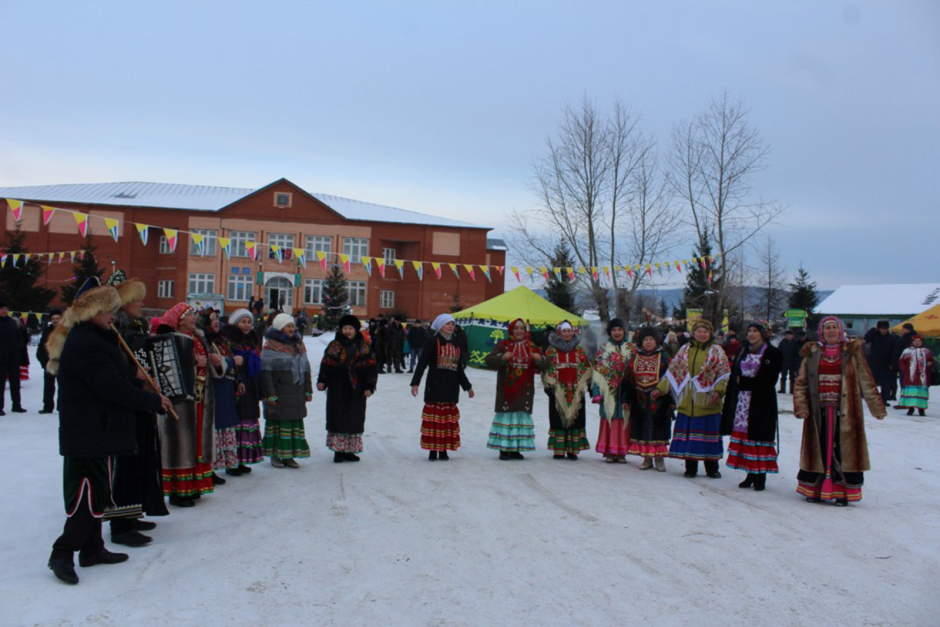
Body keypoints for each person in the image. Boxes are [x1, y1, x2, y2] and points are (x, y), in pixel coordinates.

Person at [45, 284, 172, 585]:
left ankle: (92, 550)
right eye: (108, 310)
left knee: (99, 492)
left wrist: (134, 377)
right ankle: (61, 553)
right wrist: (152, 401)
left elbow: (112, 377)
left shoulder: (97, 338)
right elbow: (110, 387)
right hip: (88, 430)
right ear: (92, 311)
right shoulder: (86, 342)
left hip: (100, 428)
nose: (113, 316)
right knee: (87, 496)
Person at [794, 316, 886, 506]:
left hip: (846, 410)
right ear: (822, 332)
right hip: (818, 411)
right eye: (827, 328)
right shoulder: (812, 352)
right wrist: (801, 407)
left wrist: (876, 407)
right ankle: (816, 489)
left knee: (843, 448)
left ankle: (842, 492)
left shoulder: (852, 352)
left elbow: (866, 381)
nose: (831, 331)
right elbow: (801, 383)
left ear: (840, 330)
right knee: (819, 447)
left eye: (834, 327)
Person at [107, 276, 170, 545]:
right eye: (136, 299)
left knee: (142, 458)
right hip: (127, 405)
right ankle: (120, 523)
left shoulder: (137, 329)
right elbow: (119, 369)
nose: (142, 304)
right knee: (126, 465)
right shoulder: (117, 332)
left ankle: (132, 512)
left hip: (141, 405)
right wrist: (140, 379)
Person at [157, 303, 223, 507]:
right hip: (181, 402)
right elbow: (165, 370)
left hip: (201, 398)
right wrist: (196, 364)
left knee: (197, 443)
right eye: (189, 315)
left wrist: (215, 361)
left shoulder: (201, 338)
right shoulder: (169, 341)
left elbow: (216, 365)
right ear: (179, 319)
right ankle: (179, 490)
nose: (194, 318)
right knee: (181, 442)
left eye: (194, 314)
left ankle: (194, 486)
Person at [655, 318, 730, 478]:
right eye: (699, 331)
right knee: (690, 437)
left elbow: (723, 375)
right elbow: (673, 372)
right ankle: (690, 468)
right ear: (694, 333)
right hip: (688, 402)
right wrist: (660, 389)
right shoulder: (684, 350)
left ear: (710, 334)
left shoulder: (717, 352)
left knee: (708, 437)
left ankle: (712, 468)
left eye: (705, 332)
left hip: (708, 402)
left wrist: (718, 391)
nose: (702, 334)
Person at [720, 323, 783, 491]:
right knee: (747, 438)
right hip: (743, 402)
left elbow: (769, 380)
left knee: (758, 438)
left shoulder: (772, 353)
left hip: (761, 402)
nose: (752, 334)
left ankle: (760, 476)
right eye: (749, 331)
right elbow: (736, 375)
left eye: (755, 331)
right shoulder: (744, 351)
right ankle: (750, 473)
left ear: (764, 334)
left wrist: (746, 383)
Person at [410, 313, 474, 461]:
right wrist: (415, 382)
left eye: (452, 324)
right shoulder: (432, 341)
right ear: (440, 326)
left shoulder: (456, 343)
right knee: (434, 421)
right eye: (447, 324)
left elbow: (458, 369)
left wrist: (468, 387)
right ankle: (433, 451)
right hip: (435, 386)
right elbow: (422, 363)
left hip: (451, 388)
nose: (451, 326)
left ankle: (444, 450)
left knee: (446, 422)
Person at [317, 314, 378, 463]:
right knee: (338, 416)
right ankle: (338, 451)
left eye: (350, 328)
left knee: (354, 417)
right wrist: (322, 381)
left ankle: (350, 451)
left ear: (356, 330)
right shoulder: (334, 345)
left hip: (358, 388)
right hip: (337, 386)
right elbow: (326, 364)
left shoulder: (363, 346)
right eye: (345, 328)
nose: (348, 331)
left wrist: (370, 386)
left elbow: (371, 367)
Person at [484, 318, 546, 460]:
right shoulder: (504, 345)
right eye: (516, 328)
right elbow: (488, 360)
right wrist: (502, 357)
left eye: (522, 328)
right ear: (511, 330)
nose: (519, 331)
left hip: (524, 390)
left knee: (519, 418)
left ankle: (516, 449)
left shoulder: (531, 346)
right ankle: (504, 449)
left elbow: (546, 364)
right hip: (507, 389)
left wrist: (539, 358)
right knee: (507, 418)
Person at [261, 313, 313, 468]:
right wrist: (270, 395)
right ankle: (276, 455)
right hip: (279, 394)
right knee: (279, 424)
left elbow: (305, 369)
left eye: (292, 325)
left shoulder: (298, 345)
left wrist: (308, 390)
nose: (291, 329)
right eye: (288, 326)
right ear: (279, 328)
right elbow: (266, 375)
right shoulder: (270, 346)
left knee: (292, 425)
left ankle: (289, 455)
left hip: (296, 392)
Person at [197, 309, 241, 482]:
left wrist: (239, 380)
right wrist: (232, 362)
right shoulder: (204, 341)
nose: (216, 322)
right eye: (211, 319)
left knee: (226, 426)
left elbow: (227, 359)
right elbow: (214, 365)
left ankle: (228, 463)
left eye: (216, 318)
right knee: (214, 429)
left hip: (227, 387)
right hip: (213, 389)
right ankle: (211, 469)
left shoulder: (220, 340)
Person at [621, 327, 673, 471]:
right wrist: (625, 399)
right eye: (646, 339)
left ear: (656, 341)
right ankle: (647, 458)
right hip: (639, 398)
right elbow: (627, 379)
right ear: (641, 341)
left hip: (659, 400)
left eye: (651, 339)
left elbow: (672, 377)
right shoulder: (635, 357)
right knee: (643, 428)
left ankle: (659, 458)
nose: (648, 342)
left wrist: (664, 393)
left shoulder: (664, 357)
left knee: (658, 428)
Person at [220, 309, 265, 475]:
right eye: (243, 321)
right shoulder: (228, 340)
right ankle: (232, 462)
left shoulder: (252, 340)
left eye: (248, 321)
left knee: (247, 421)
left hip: (251, 385)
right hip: (235, 384)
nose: (246, 325)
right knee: (236, 423)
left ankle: (242, 459)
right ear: (235, 323)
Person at [542, 321, 593, 460]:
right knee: (558, 419)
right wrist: (550, 387)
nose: (567, 334)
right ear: (559, 333)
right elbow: (547, 369)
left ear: (573, 332)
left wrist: (587, 385)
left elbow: (586, 368)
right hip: (558, 390)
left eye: (569, 331)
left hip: (576, 391)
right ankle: (558, 450)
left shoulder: (579, 349)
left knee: (575, 419)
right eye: (564, 331)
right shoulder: (551, 350)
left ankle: (572, 449)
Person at [591, 318, 635, 464]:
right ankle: (609, 451)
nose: (617, 332)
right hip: (608, 391)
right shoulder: (603, 349)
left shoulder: (631, 349)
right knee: (609, 418)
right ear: (610, 332)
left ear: (624, 331)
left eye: (620, 329)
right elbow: (597, 372)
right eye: (614, 330)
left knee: (623, 419)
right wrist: (597, 393)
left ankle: (621, 452)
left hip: (625, 391)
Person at [897, 335, 935, 417]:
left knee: (921, 393)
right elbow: (901, 361)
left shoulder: (926, 351)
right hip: (911, 376)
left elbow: (932, 361)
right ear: (912, 342)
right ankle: (910, 409)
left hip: (923, 377)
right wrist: (905, 369)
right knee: (912, 393)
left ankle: (921, 410)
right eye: (915, 341)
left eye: (919, 341)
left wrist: (930, 363)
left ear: (921, 342)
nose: (917, 343)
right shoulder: (907, 351)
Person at [0, 300, 26, 414]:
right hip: (1, 359)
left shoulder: (11, 322)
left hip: (14, 358)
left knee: (15, 384)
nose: (4, 311)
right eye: (2, 309)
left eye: (5, 308)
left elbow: (19, 337)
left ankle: (16, 405)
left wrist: (18, 347)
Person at [864, 320, 898, 407]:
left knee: (885, 384)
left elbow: (894, 352)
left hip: (885, 364)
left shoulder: (891, 338)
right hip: (874, 364)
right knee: (872, 383)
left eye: (886, 329)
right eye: (882, 328)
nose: (884, 330)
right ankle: (872, 399)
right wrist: (872, 330)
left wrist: (892, 363)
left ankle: (884, 399)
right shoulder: (874, 336)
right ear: (878, 329)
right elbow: (866, 339)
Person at [37, 309, 64, 414]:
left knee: (62, 386)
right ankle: (47, 407)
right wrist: (44, 361)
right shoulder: (47, 331)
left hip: (62, 363)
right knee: (48, 386)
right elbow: (42, 346)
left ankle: (61, 406)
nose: (55, 320)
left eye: (57, 318)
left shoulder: (66, 330)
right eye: (53, 319)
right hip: (49, 362)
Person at [891, 323, 917, 407]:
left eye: (904, 329)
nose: (903, 330)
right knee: (904, 383)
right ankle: (905, 402)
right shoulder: (906, 338)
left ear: (908, 330)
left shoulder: (909, 339)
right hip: (904, 366)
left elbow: (902, 351)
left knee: (905, 384)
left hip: (907, 366)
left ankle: (906, 402)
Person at [777, 329, 800, 394]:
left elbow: (797, 353)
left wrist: (796, 362)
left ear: (792, 336)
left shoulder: (795, 343)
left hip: (792, 363)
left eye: (790, 335)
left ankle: (792, 389)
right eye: (787, 335)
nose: (788, 336)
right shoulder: (782, 342)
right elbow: (779, 352)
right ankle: (782, 389)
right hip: (784, 362)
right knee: (783, 376)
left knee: (792, 377)